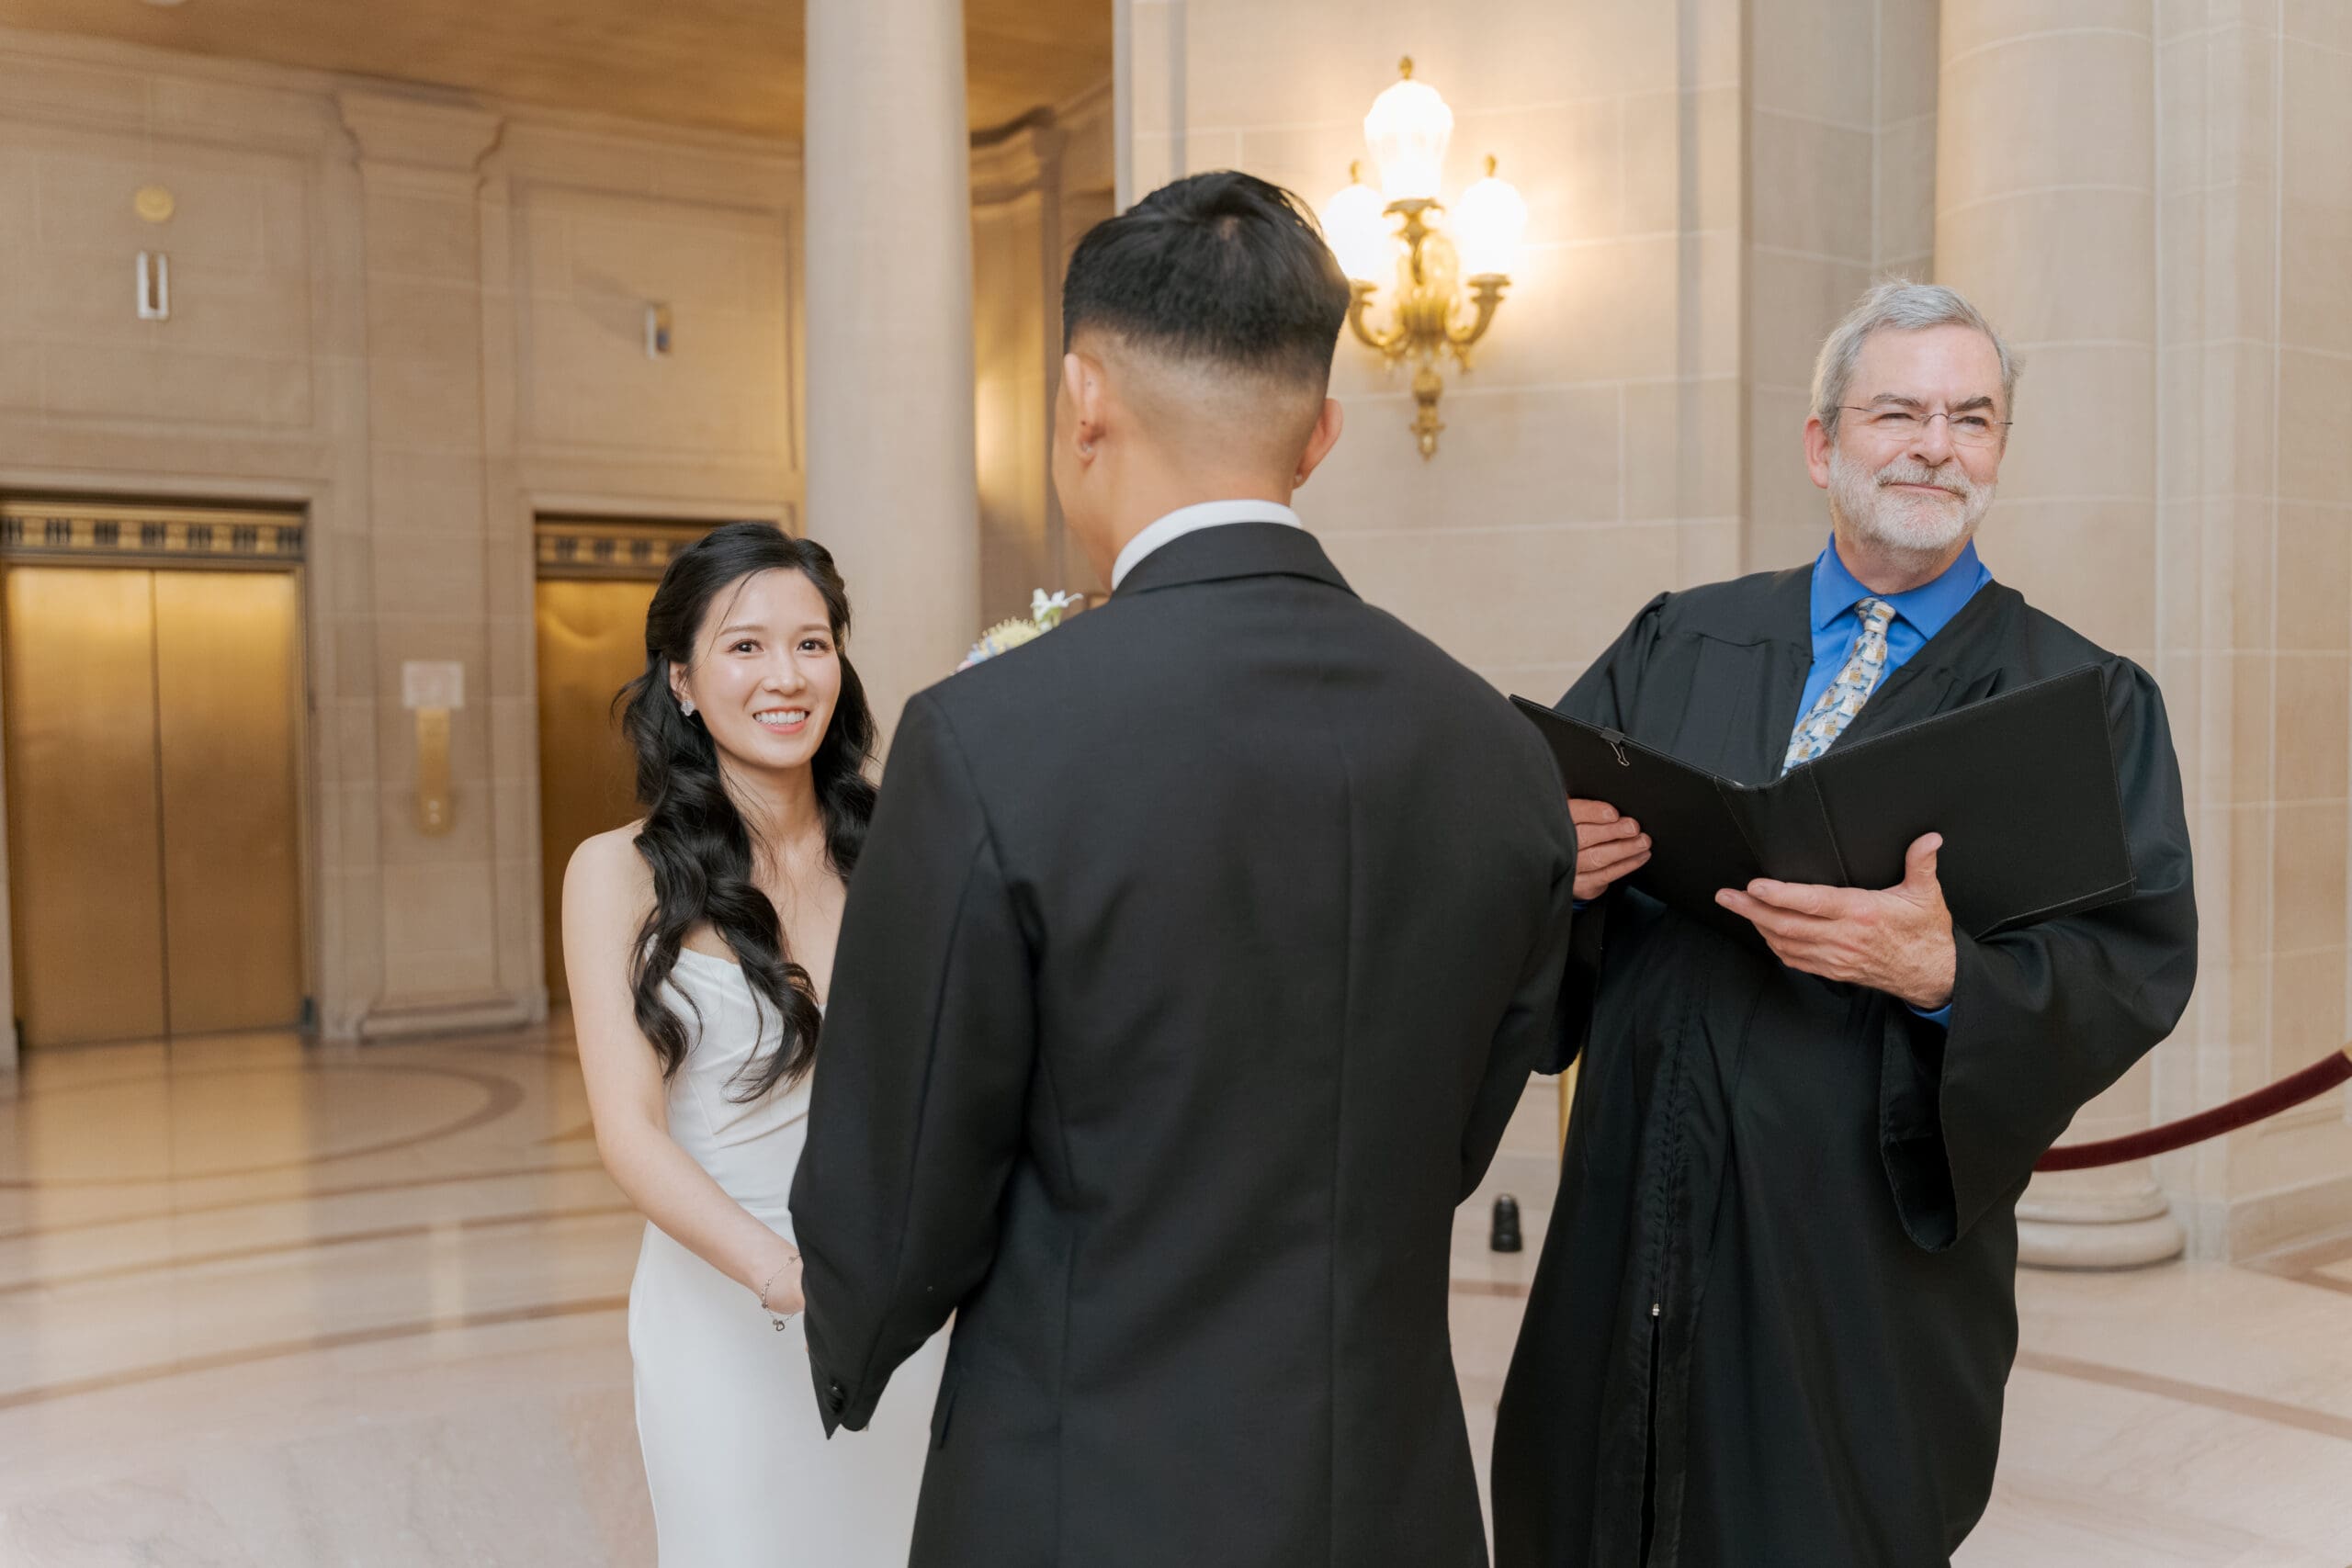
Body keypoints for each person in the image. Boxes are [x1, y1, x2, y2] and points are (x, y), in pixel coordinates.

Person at [787, 171, 1581, 1568]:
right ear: (1322, 433)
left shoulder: (991, 737)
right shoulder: (1496, 747)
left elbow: (900, 1176)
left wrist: (856, 1338)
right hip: (1385, 1489)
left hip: (1085, 1481)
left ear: (1083, 398)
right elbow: (1458, 1132)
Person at [1490, 281, 2199, 1567]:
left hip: (1859, 1262)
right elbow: (1524, 846)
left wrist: (1943, 975)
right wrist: (1561, 867)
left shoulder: (2077, 700)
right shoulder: (1683, 639)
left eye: (1971, 417)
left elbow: (2132, 959)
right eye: (1898, 411)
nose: (1937, 443)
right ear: (1823, 443)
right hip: (1633, 1189)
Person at [562, 523, 943, 1566]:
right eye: (746, 646)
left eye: (812, 644)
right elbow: (630, 1135)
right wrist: (791, 1282)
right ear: (681, 679)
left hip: (900, 1303)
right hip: (726, 1310)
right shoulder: (617, 875)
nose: (787, 676)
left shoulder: (905, 846)